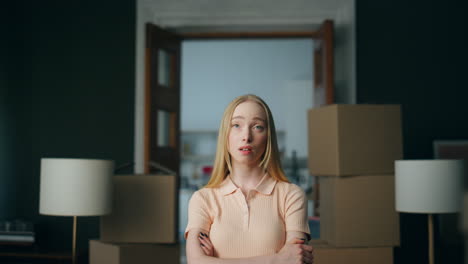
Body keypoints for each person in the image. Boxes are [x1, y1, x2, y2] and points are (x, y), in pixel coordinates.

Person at [185, 94, 314, 264]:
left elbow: (294, 260)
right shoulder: (203, 199)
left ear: (268, 137)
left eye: (258, 127)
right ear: (225, 134)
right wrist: (276, 260)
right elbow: (196, 262)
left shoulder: (291, 195)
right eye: (236, 125)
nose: (246, 136)